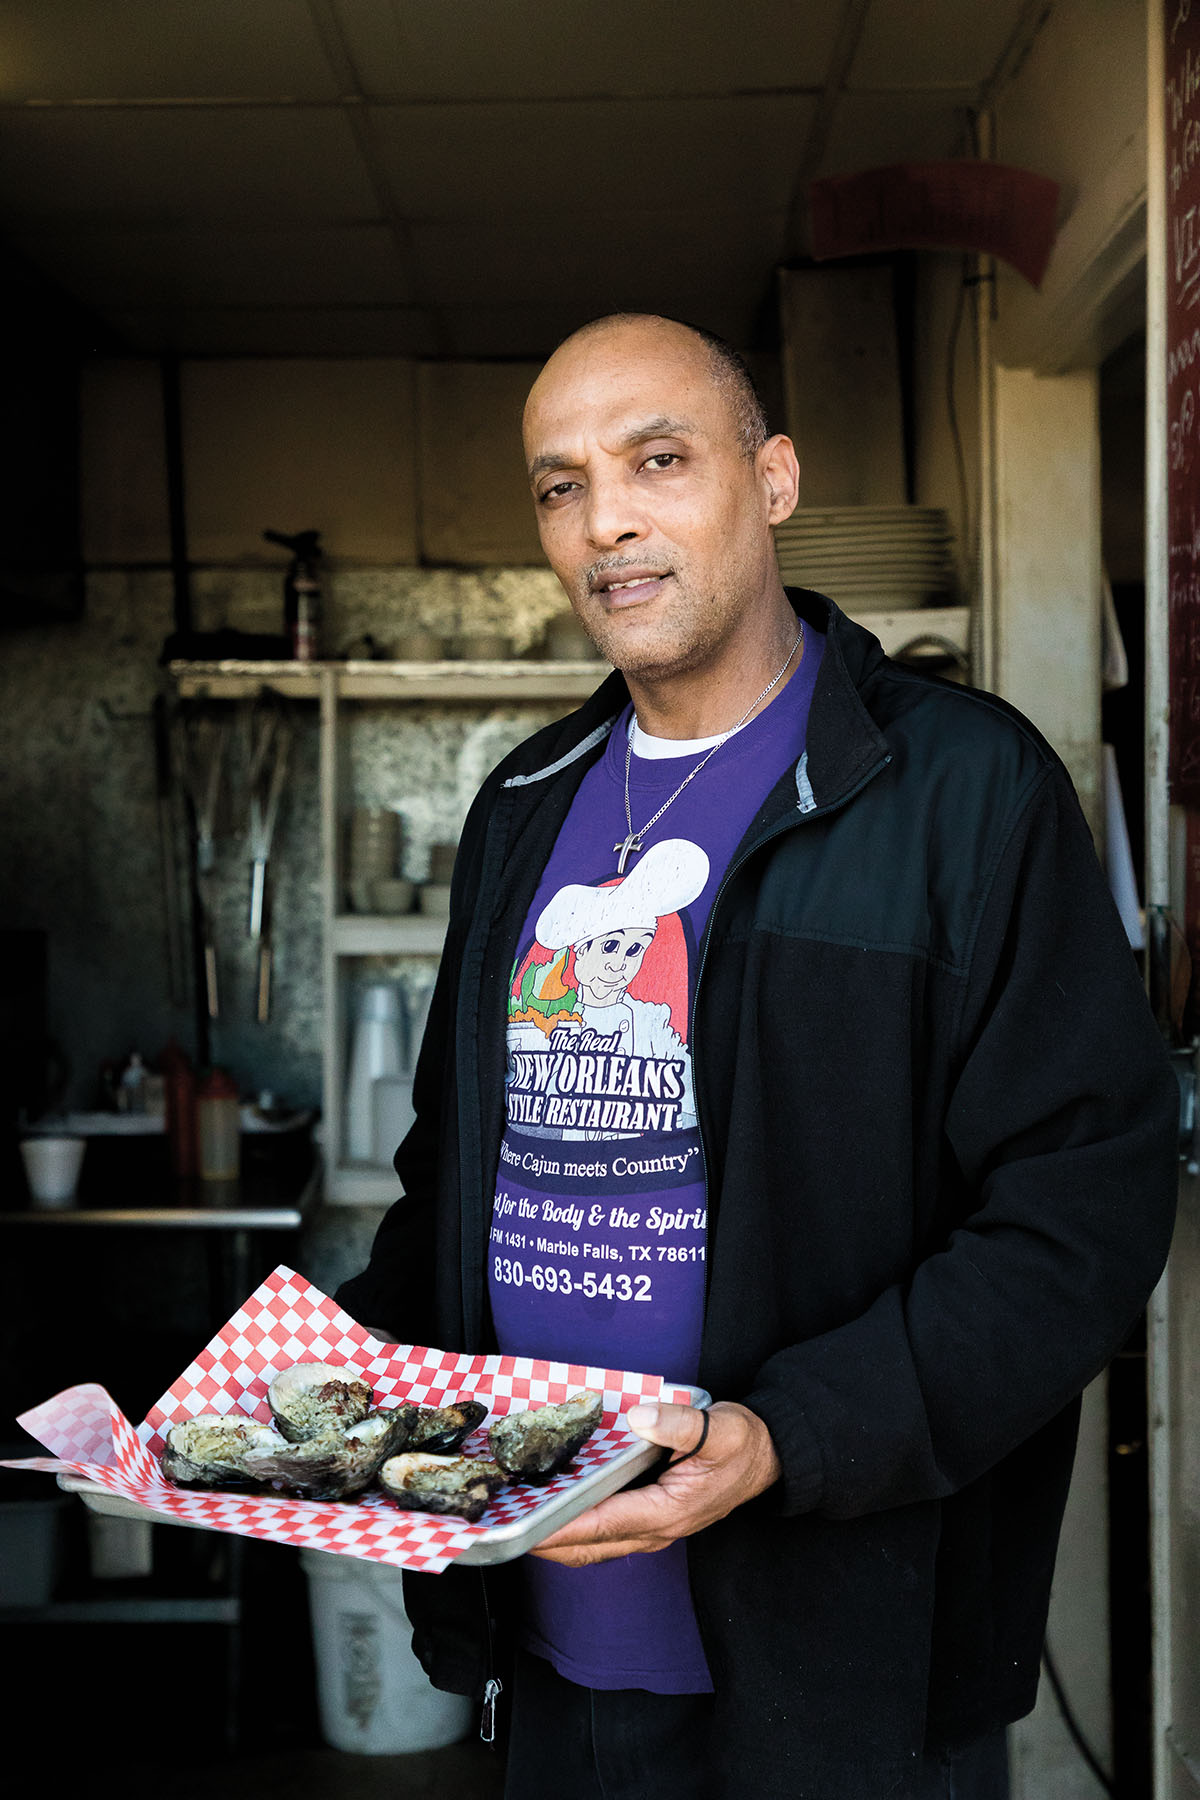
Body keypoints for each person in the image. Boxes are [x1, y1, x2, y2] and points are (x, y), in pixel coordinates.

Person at [336, 313, 1178, 1800]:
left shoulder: (959, 791)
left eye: (658, 461)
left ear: (774, 479)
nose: (608, 522)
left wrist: (787, 1434)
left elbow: (1084, 1208)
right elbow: (451, 1186)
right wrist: (297, 1410)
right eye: (560, 486)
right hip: (544, 1619)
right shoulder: (522, 806)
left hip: (843, 1646)